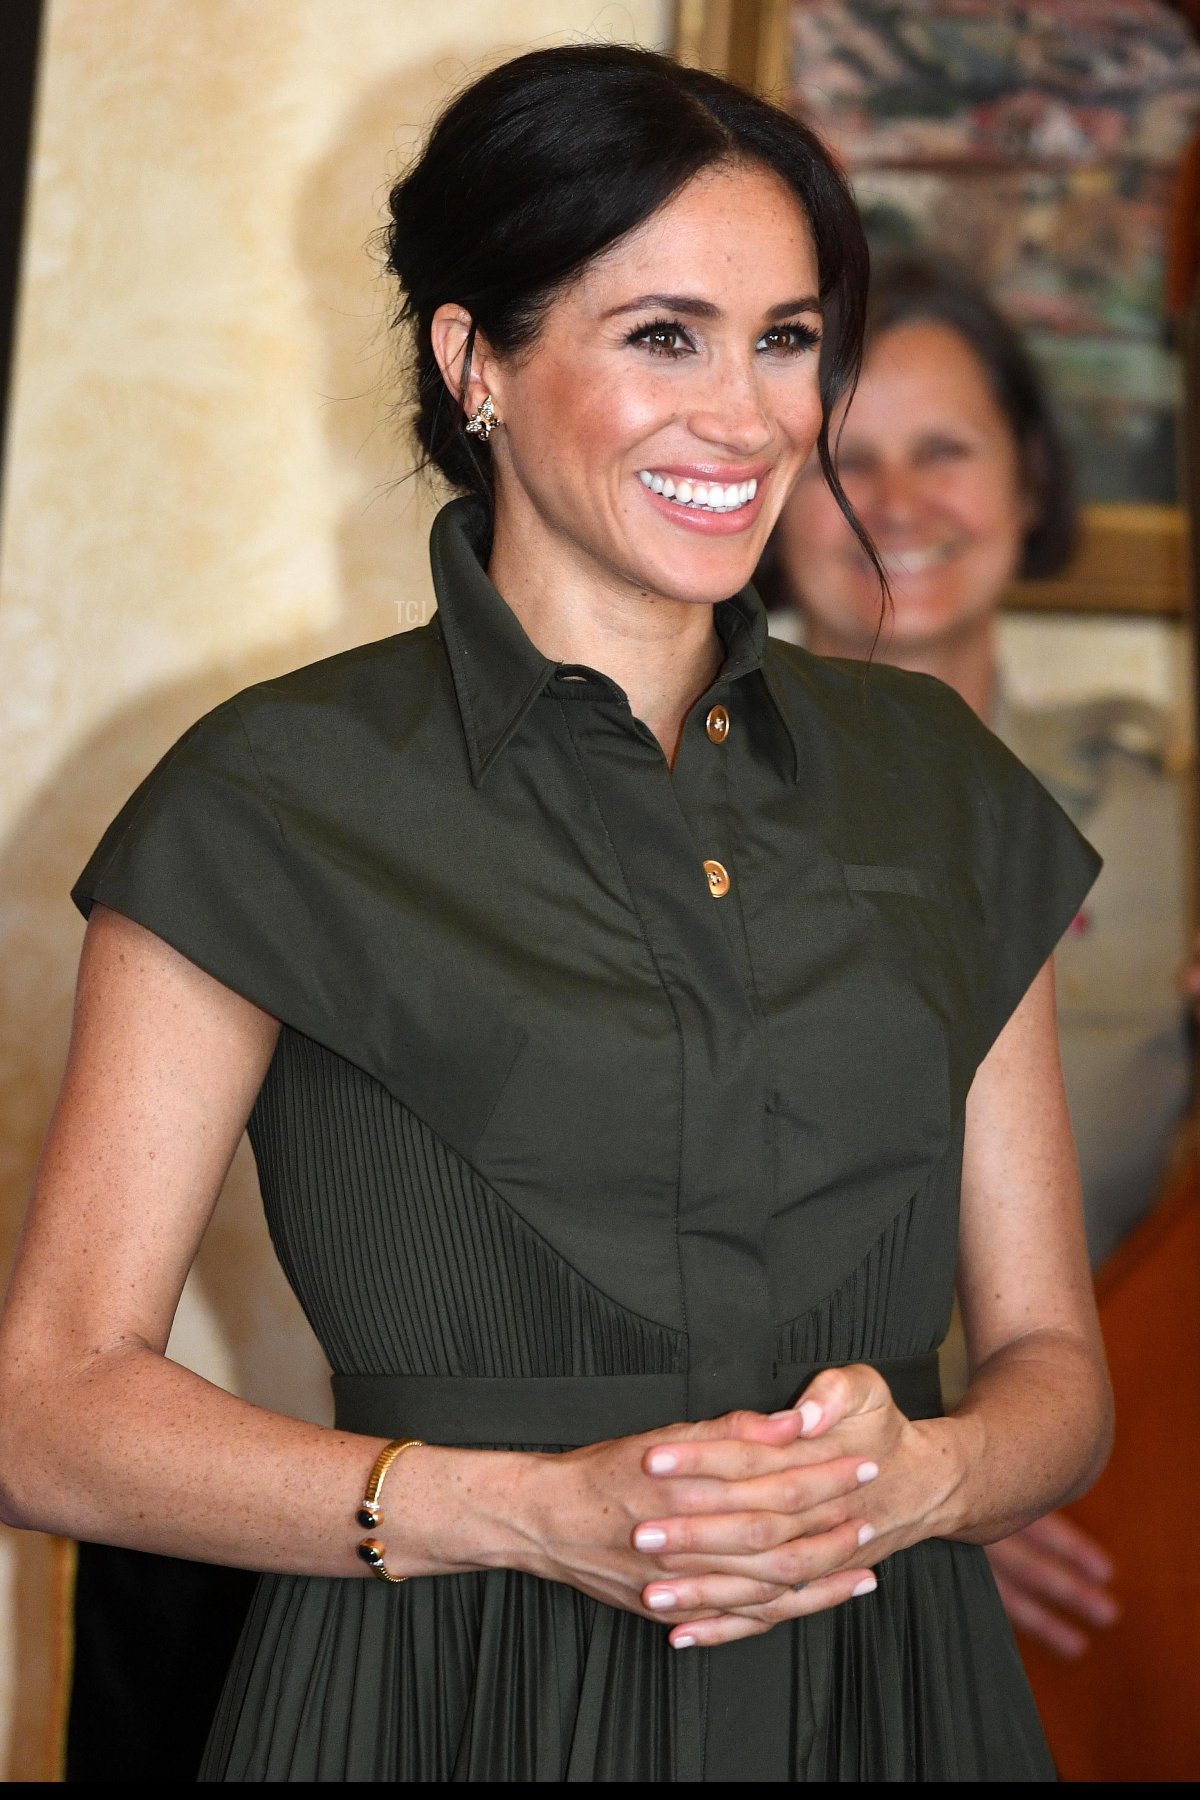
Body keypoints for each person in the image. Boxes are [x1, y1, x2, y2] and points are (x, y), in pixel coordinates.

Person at [0, 48, 1108, 1782]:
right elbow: (48, 1408)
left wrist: (931, 1478)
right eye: (664, 335)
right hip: (440, 1692)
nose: (748, 416)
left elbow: (1053, 1368)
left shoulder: (942, 786)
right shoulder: (271, 796)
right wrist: (517, 1512)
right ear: (476, 364)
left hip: (887, 1692)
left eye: (786, 338)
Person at [769, 250, 1191, 1661]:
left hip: (1105, 1544)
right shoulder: (656, 809)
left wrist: (1005, 1467)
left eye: (944, 451)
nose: (896, 502)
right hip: (764, 1538)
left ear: (1029, 479)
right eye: (849, 460)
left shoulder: (1165, 825)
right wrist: (903, 1501)